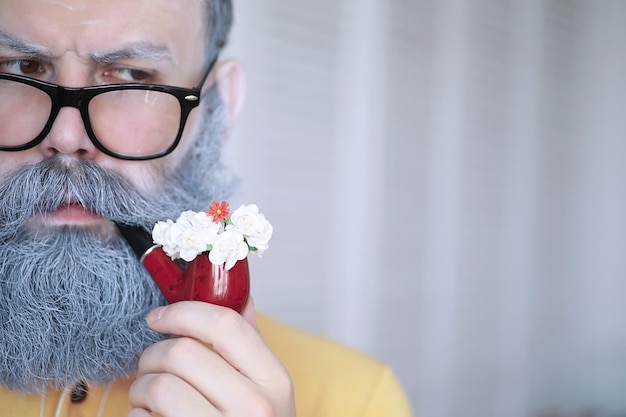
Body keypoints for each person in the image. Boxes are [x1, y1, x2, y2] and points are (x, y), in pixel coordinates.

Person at [0, 0, 413, 416]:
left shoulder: (356, 398)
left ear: (220, 107)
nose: (67, 137)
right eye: (18, 68)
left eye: (132, 75)